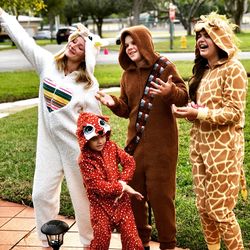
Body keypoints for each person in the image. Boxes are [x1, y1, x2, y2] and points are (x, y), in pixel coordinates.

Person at [0, 7, 107, 249]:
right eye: (73, 42)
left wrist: (101, 157)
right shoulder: (47, 64)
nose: (73, 47)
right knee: (40, 194)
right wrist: (3, 17)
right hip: (48, 142)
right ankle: (47, 240)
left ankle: (90, 243)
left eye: (80, 47)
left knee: (83, 199)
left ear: (85, 57)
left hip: (75, 149)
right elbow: (23, 40)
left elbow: (95, 122)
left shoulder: (88, 86)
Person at [95, 25, 189, 250]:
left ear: (144, 42)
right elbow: (127, 108)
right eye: (125, 45)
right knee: (135, 198)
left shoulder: (165, 67)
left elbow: (184, 97)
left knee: (162, 199)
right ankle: (141, 243)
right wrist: (114, 103)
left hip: (162, 149)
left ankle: (168, 244)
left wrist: (169, 93)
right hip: (135, 149)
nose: (129, 48)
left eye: (133, 43)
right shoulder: (127, 75)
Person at [172, 12, 248, 250]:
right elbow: (205, 110)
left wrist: (200, 113)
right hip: (199, 147)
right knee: (203, 208)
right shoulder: (205, 70)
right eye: (199, 36)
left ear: (220, 38)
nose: (201, 40)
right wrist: (190, 110)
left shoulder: (233, 69)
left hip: (224, 150)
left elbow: (234, 112)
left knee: (220, 210)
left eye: (207, 35)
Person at [76, 112, 144, 249]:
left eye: (102, 136)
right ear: (85, 140)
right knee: (101, 240)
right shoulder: (85, 160)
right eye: (94, 138)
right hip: (100, 207)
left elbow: (129, 162)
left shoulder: (111, 147)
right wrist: (122, 188)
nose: (100, 141)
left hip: (121, 203)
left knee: (132, 239)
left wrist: (123, 182)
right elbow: (98, 186)